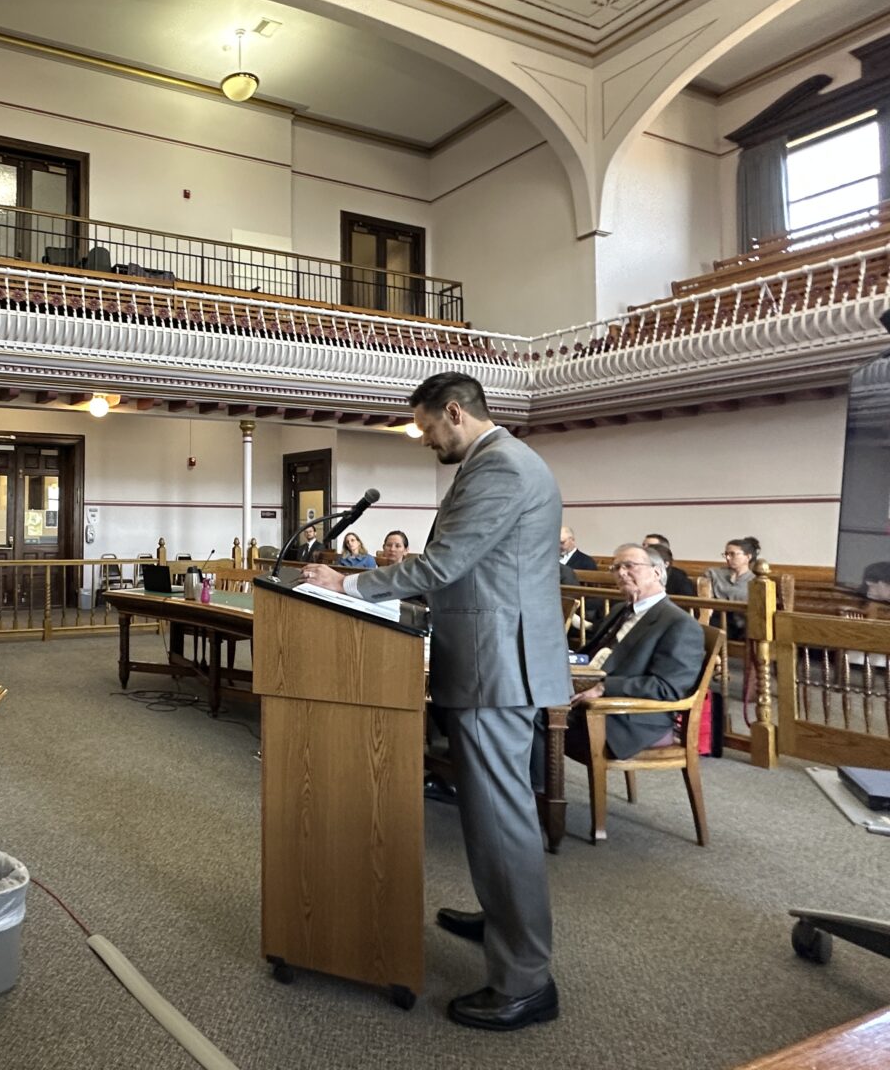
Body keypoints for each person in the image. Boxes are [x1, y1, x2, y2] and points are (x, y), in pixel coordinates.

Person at [302, 372, 569, 1032]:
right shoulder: (491, 462)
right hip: (489, 661)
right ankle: (506, 919)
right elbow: (464, 564)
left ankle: (526, 982)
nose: (424, 439)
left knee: (500, 818)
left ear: (455, 412)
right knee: (491, 814)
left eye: (425, 427)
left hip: (499, 667)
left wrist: (351, 582)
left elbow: (445, 564)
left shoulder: (501, 467)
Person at [533, 544, 705, 790]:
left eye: (630, 566)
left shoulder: (679, 624)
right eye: (616, 567)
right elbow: (591, 656)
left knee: (533, 715)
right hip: (589, 699)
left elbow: (668, 687)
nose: (621, 573)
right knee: (521, 700)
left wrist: (604, 688)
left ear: (657, 572)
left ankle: (538, 797)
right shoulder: (620, 610)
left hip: (630, 718)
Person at [705, 536, 760, 640]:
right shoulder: (714, 573)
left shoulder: (755, 581)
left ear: (748, 557)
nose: (728, 558)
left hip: (740, 623)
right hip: (715, 618)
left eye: (733, 554)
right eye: (726, 554)